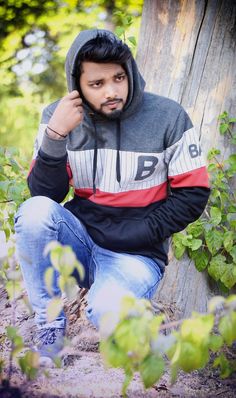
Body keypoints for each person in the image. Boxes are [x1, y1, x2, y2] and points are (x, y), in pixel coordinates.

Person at [14, 29, 210, 365]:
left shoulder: (168, 116)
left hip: (136, 255)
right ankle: (49, 332)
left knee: (104, 312)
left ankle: (141, 320)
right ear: (77, 84)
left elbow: (193, 193)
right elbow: (46, 195)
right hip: (80, 241)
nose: (112, 91)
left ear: (129, 71)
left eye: (119, 78)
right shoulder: (59, 116)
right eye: (97, 83)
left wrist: (141, 232)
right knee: (34, 212)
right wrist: (55, 135)